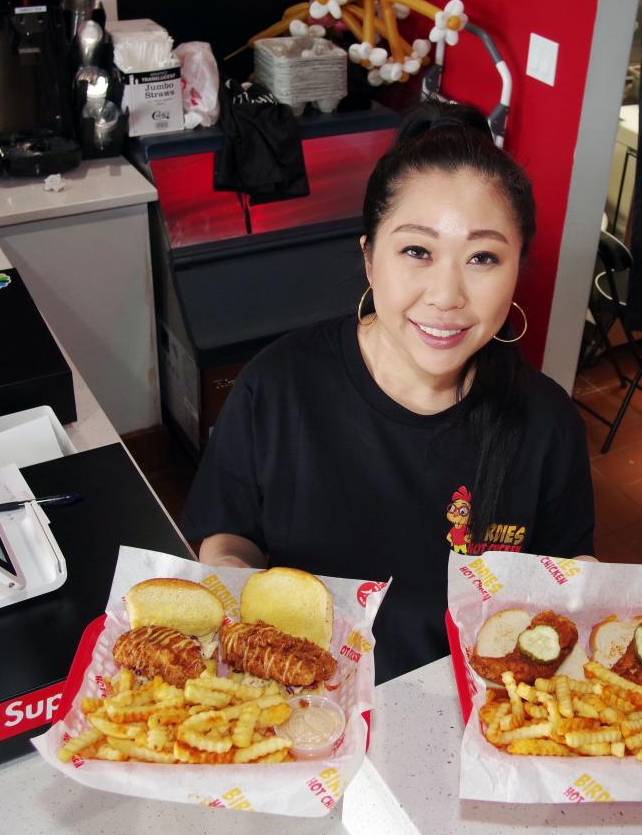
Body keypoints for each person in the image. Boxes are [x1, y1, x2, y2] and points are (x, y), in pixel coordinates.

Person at [181, 101, 595, 683]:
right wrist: (229, 575)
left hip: (474, 721)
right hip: (304, 704)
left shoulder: (548, 424)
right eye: (417, 251)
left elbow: (566, 574)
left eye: (483, 257)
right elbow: (230, 535)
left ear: (517, 269)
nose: (446, 295)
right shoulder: (279, 386)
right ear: (370, 258)